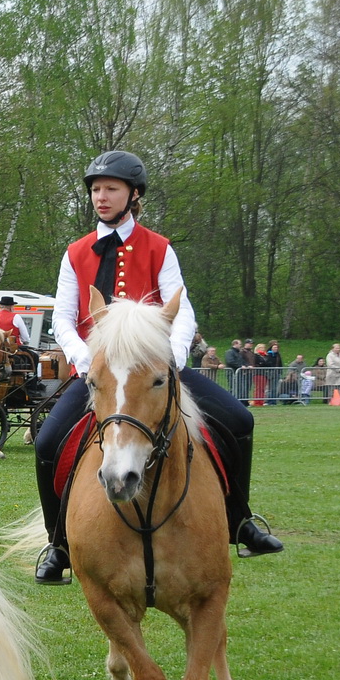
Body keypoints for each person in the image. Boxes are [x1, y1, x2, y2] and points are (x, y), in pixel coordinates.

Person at [32, 150, 283, 585]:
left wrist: (174, 353)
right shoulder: (74, 253)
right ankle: (58, 546)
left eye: (111, 188)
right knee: (48, 443)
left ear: (133, 195)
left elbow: (180, 307)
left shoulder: (159, 247)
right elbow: (63, 318)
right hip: (100, 374)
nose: (101, 196)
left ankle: (240, 520)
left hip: (154, 370)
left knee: (239, 420)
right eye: (95, 189)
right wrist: (84, 358)